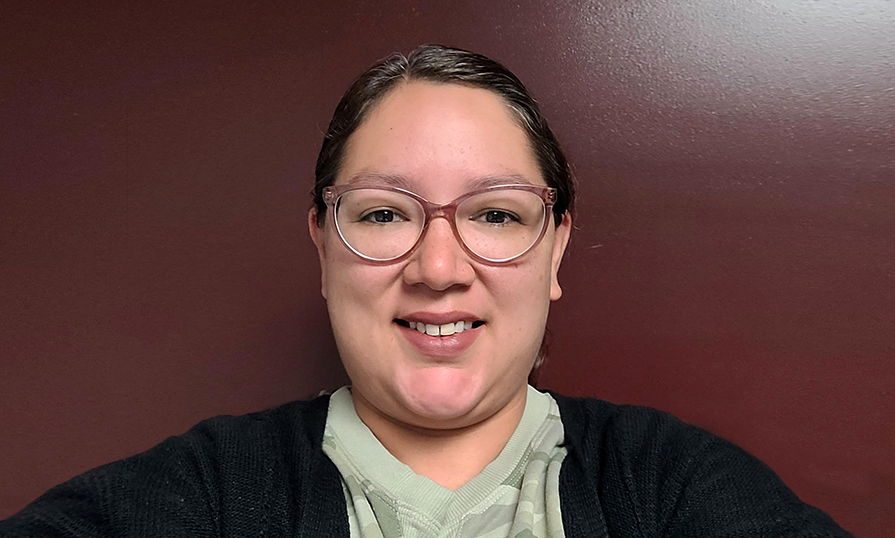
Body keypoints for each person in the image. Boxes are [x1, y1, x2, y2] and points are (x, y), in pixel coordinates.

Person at [0, 45, 852, 538]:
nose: (438, 267)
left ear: (555, 250)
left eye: (492, 213)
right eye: (379, 214)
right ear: (323, 250)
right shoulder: (210, 492)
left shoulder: (668, 486)